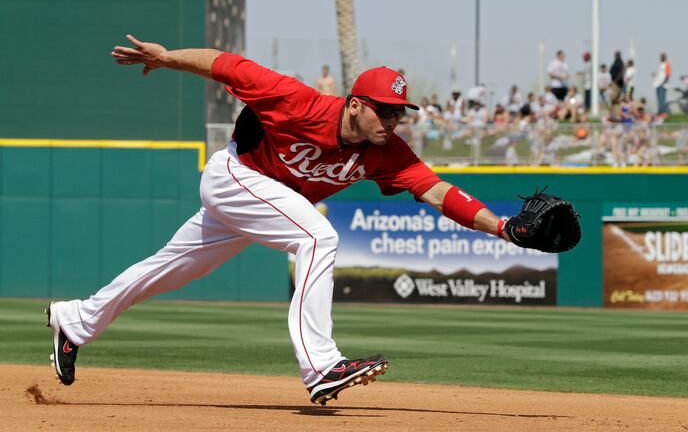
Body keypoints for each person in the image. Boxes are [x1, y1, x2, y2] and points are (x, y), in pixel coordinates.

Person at [46, 34, 517, 406]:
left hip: (263, 199)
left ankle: (75, 320)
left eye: (399, 113)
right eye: (385, 110)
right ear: (356, 103)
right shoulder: (298, 101)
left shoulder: (387, 153)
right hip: (236, 176)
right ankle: (321, 365)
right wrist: (167, 57)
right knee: (318, 236)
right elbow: (226, 64)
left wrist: (502, 227)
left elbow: (438, 191)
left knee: (171, 268)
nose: (392, 121)